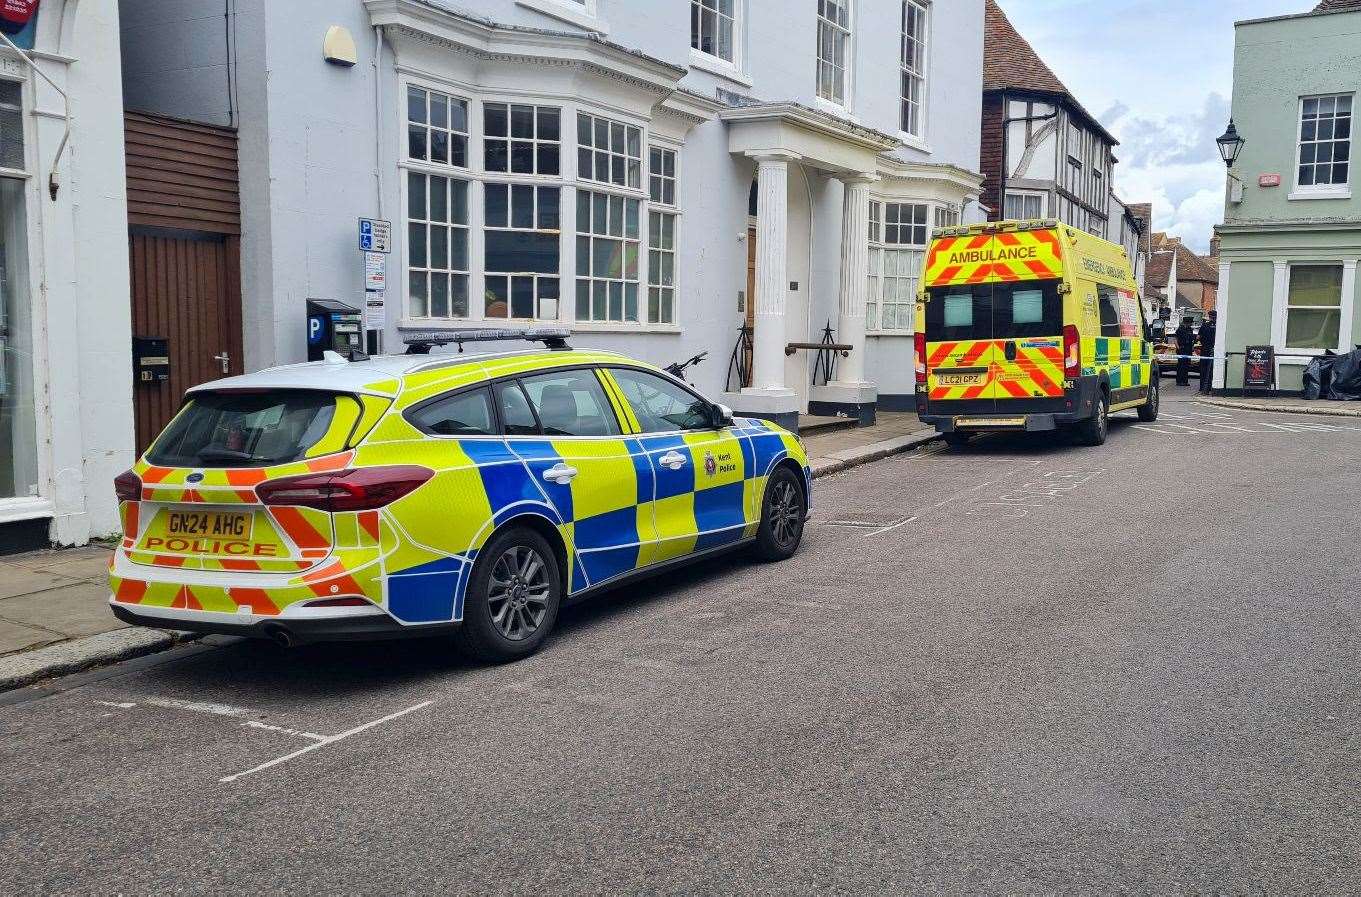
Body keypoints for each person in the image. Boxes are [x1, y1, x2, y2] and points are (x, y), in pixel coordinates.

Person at [1197, 310, 1217, 394]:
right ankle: (1211, 387)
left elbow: (1198, 337)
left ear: (1209, 317)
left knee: (1204, 369)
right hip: (1215, 350)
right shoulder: (1219, 326)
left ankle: (1203, 388)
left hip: (1205, 350)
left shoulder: (1204, 326)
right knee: (1213, 369)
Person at [1174, 316, 1195, 386]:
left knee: (1187, 366)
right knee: (1181, 366)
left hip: (1188, 349)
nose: (1191, 324)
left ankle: (1185, 381)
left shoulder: (1190, 330)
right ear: (1187, 323)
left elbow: (1192, 340)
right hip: (1182, 349)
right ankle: (1179, 381)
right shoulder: (1180, 329)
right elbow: (1175, 339)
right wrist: (1178, 348)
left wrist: (1192, 348)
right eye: (1190, 323)